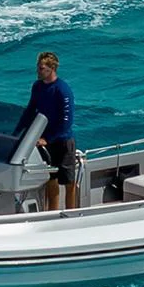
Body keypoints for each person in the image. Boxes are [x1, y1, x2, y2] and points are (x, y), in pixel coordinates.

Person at [27, 51, 83, 210]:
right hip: (45, 142)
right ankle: (52, 213)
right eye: (38, 68)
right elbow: (31, 110)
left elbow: (66, 121)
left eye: (41, 68)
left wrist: (49, 138)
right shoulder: (37, 87)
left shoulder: (62, 90)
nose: (38, 71)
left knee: (68, 181)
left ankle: (71, 212)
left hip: (62, 141)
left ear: (51, 69)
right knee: (51, 180)